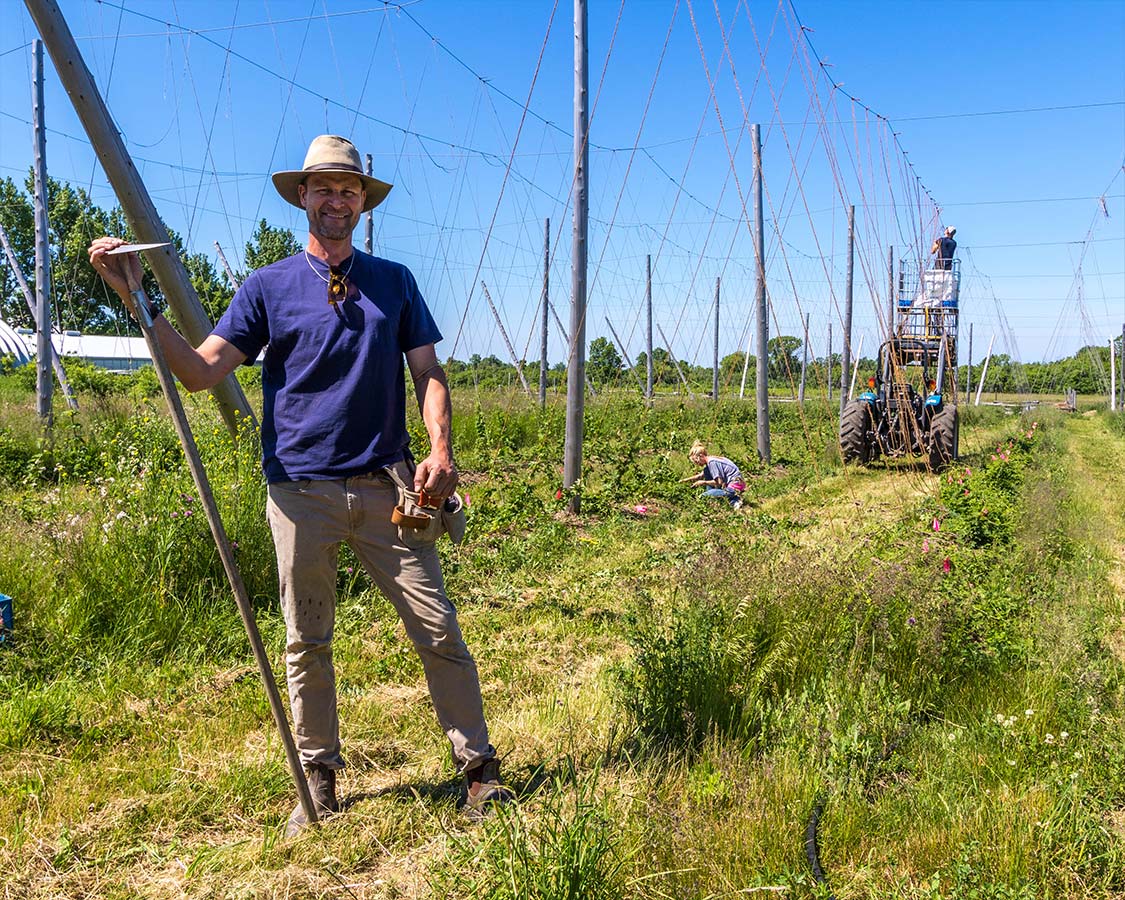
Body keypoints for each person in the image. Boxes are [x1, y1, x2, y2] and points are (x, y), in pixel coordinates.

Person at [88, 134, 509, 835]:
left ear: (362, 204)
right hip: (299, 492)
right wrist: (140, 300)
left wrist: (440, 446)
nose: (336, 199)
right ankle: (318, 779)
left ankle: (478, 771)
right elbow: (199, 372)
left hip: (388, 490)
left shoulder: (395, 282)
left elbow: (428, 373)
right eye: (323, 188)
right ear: (302, 199)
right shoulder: (267, 287)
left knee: (437, 629)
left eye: (348, 189)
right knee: (305, 639)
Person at [684, 441, 745, 509]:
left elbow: (719, 482)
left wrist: (703, 482)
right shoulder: (711, 460)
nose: (697, 464)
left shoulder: (712, 462)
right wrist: (685, 480)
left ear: (701, 456)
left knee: (703, 496)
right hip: (736, 485)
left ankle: (734, 499)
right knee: (707, 472)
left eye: (696, 461)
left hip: (735, 487)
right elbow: (700, 476)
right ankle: (734, 500)